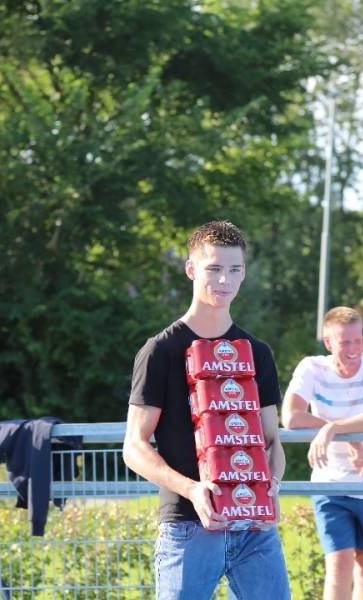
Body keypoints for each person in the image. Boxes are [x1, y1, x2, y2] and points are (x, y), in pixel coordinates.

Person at [122, 220, 289, 600]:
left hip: (255, 530)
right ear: (191, 269)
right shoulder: (160, 350)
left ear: (244, 273)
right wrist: (193, 489)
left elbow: (271, 441)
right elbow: (133, 446)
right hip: (188, 525)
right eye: (213, 268)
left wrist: (273, 485)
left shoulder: (257, 351)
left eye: (234, 269)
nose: (225, 280)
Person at [282, 307, 363, 600]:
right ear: (328, 342)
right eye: (344, 342)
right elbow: (291, 416)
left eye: (358, 340)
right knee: (338, 564)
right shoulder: (311, 367)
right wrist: (341, 434)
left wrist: (336, 429)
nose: (353, 349)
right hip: (330, 483)